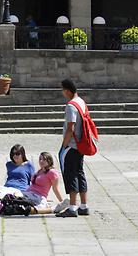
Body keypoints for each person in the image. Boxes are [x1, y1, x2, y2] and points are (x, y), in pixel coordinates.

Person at [57, 79, 89, 217]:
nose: (63, 93)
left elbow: (71, 127)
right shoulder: (81, 102)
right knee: (80, 173)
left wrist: (64, 145)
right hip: (81, 144)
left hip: (72, 145)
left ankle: (72, 207)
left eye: (63, 90)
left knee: (71, 174)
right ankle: (84, 205)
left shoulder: (71, 106)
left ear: (68, 91)